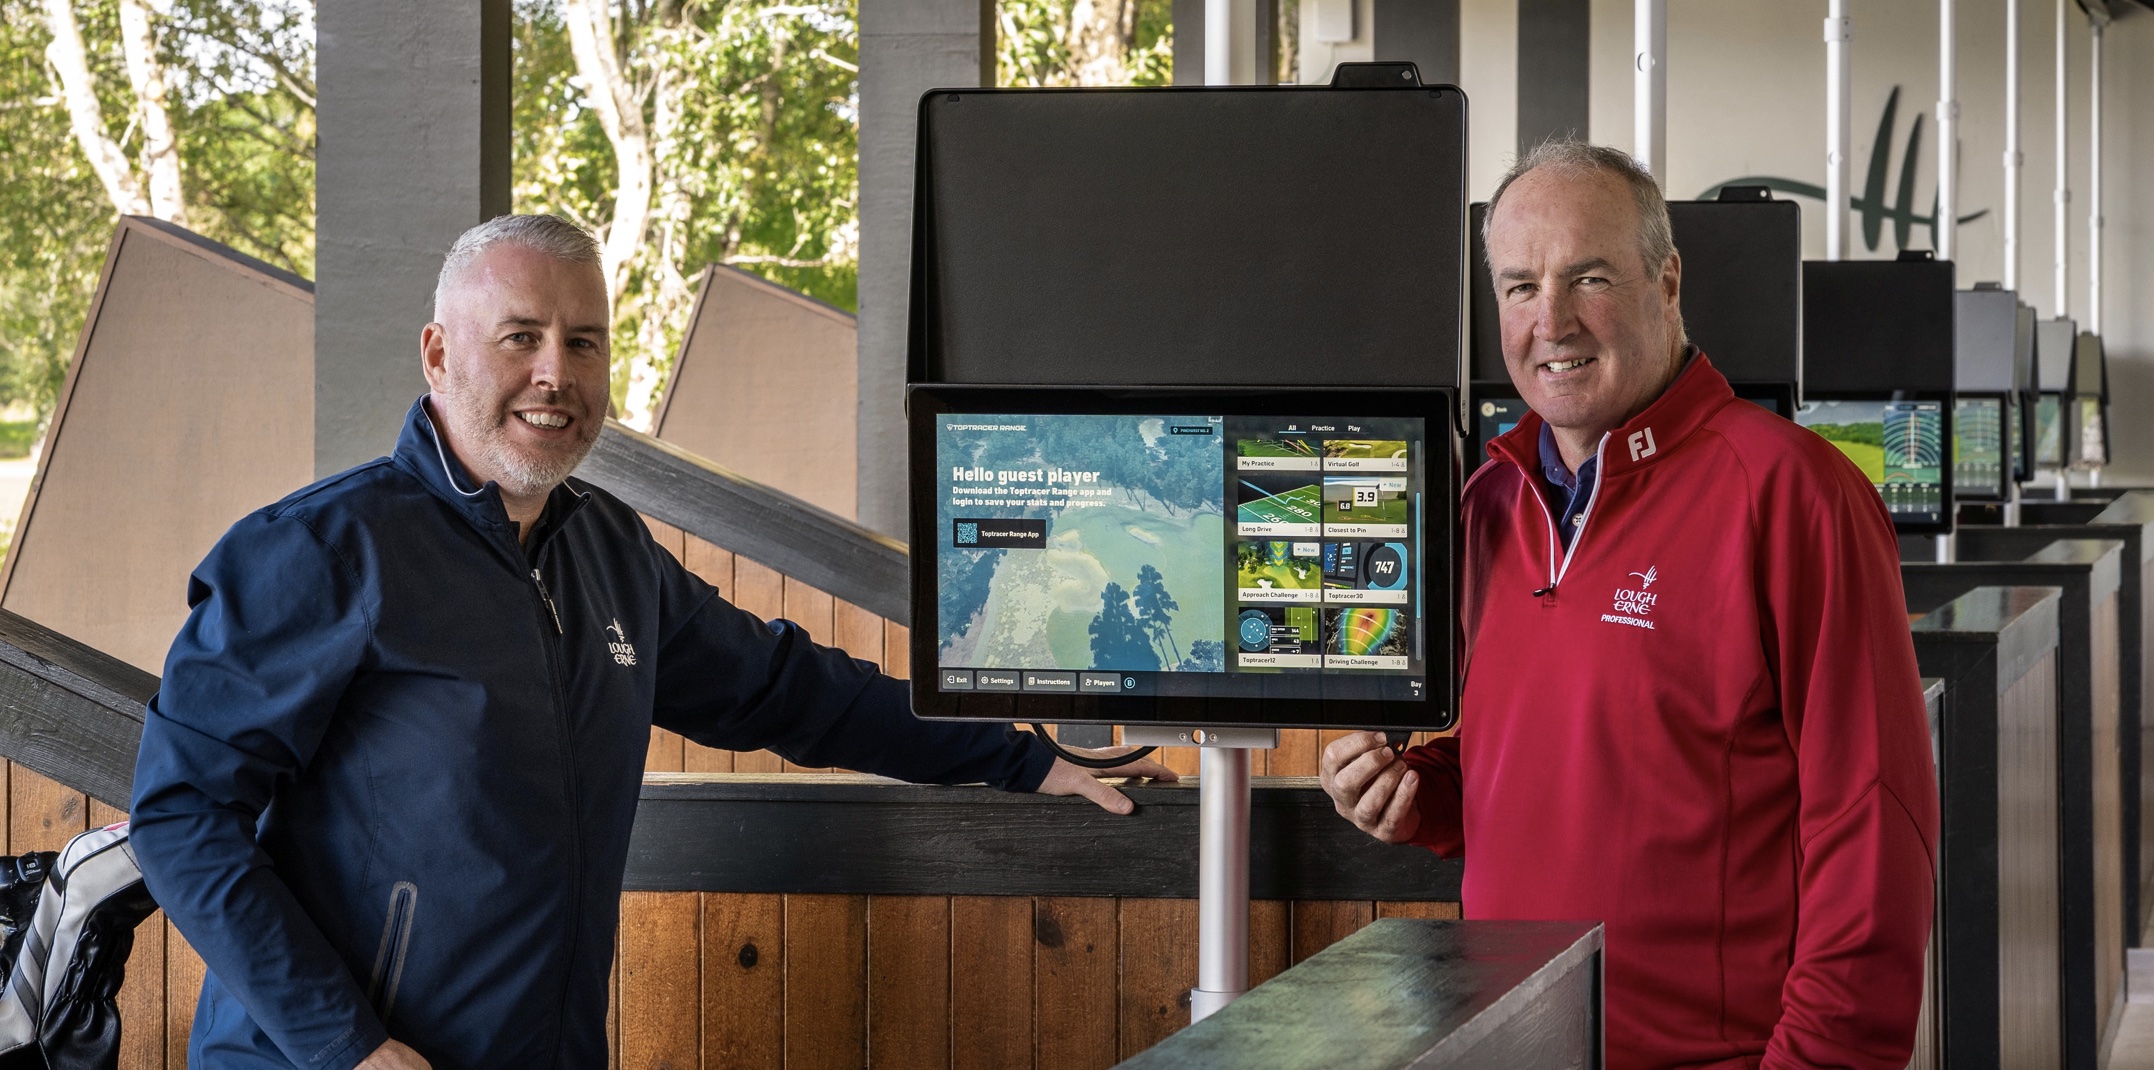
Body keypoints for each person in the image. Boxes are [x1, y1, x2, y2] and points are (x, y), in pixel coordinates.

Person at [128, 214, 1172, 1070]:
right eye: (521, 336)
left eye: (583, 342)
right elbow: (181, 817)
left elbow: (787, 687)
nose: (555, 371)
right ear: (440, 352)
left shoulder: (608, 549)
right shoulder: (317, 550)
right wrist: (345, 1043)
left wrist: (1019, 751)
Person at [1319, 142, 1939, 1069]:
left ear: (1668, 279)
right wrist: (1414, 801)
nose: (1551, 320)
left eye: (1590, 277)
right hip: (1516, 1043)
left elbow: (1875, 831)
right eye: (1520, 286)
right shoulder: (1488, 505)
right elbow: (1527, 773)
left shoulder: (1793, 494)